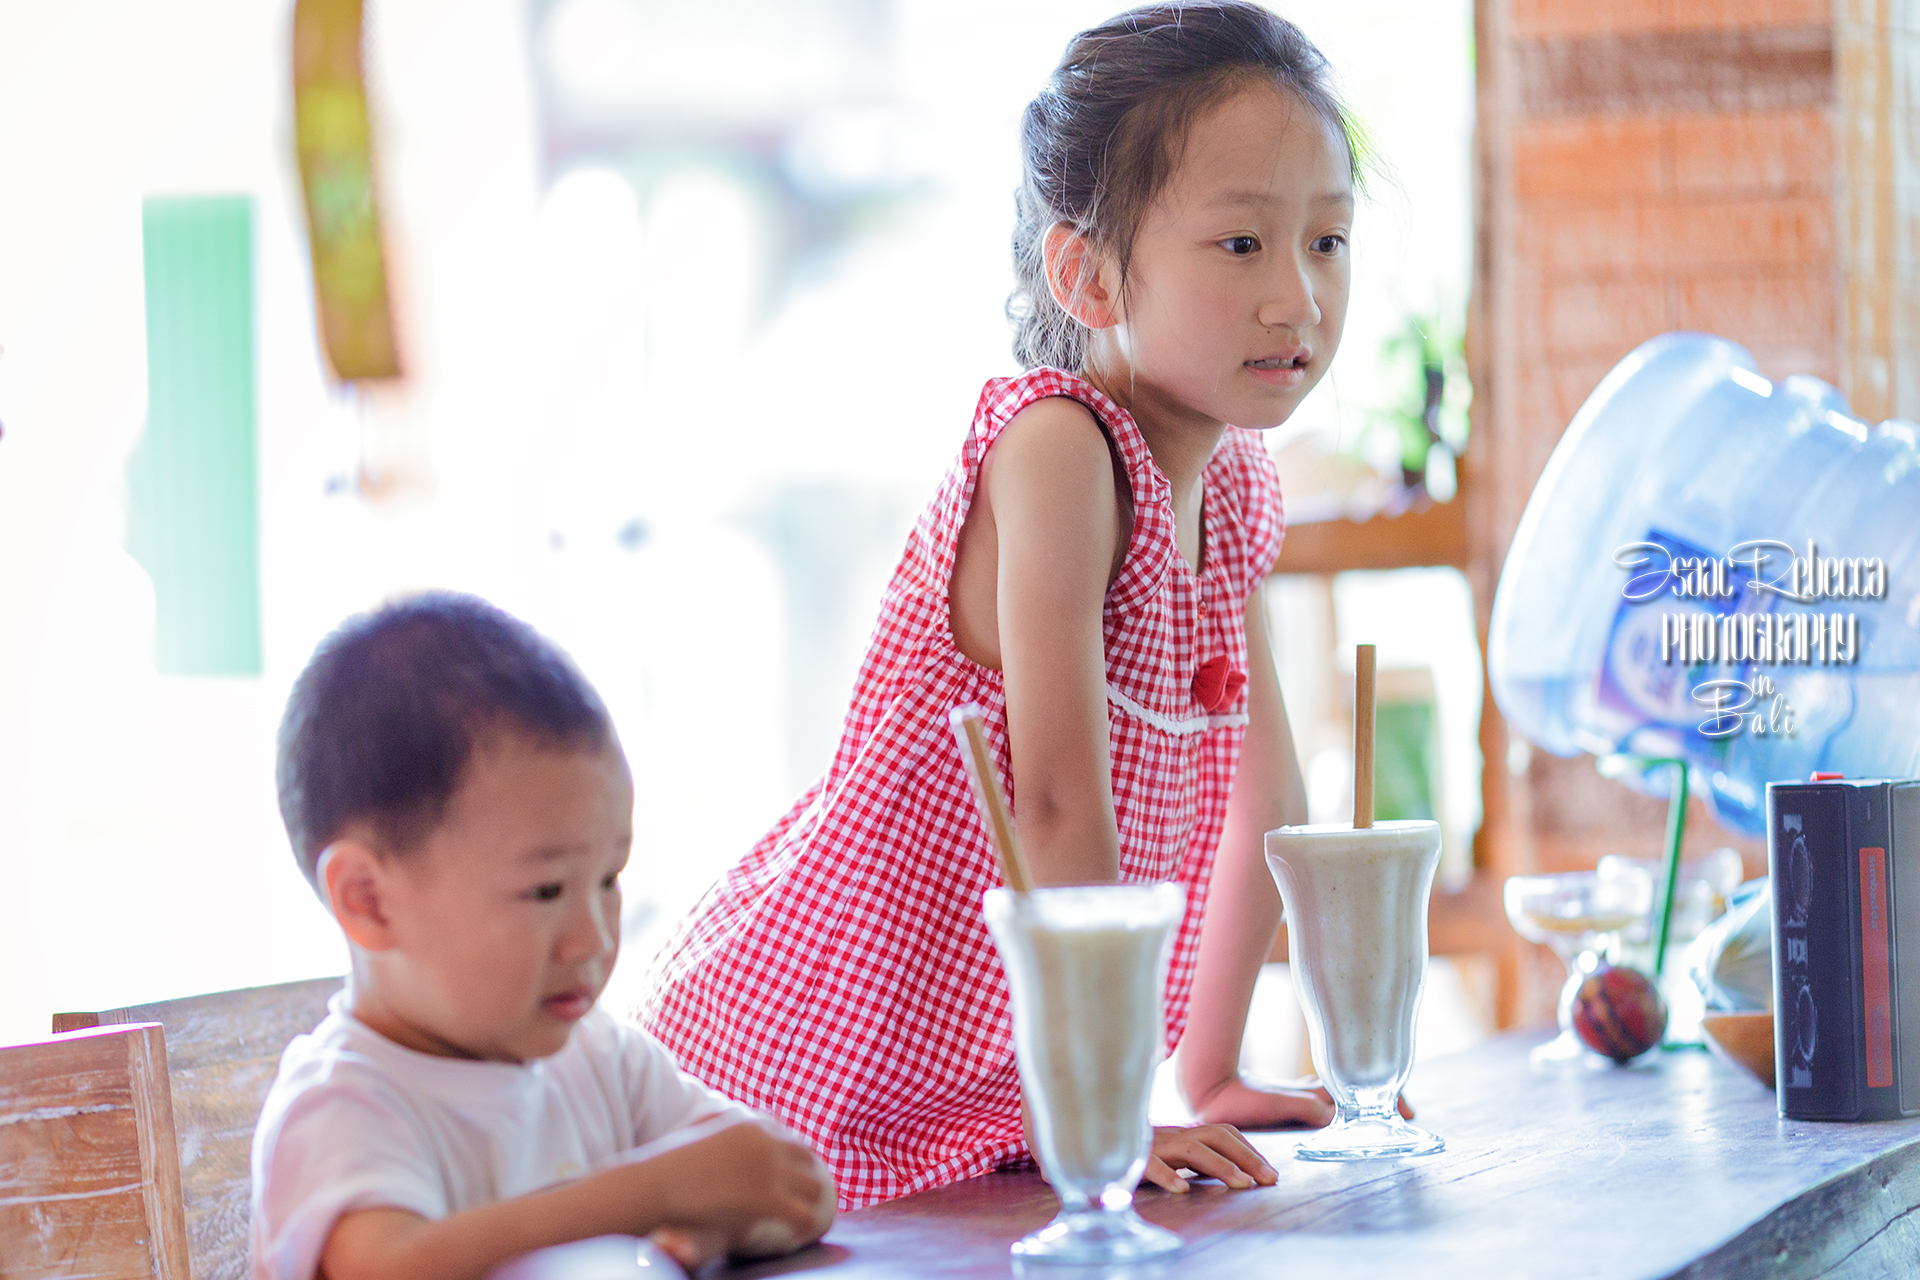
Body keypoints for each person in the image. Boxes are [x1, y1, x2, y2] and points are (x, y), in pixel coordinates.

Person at [641, 1, 1361, 1210]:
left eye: (1329, 242)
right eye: (1241, 244)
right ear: (1084, 272)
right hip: (813, 1043)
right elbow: (1056, 794)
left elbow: (1269, 802)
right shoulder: (1058, 445)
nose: (1297, 296)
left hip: (981, 1083)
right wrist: (1113, 1108)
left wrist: (1215, 1066)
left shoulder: (1233, 483)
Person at [251, 593, 833, 1280]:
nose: (591, 939)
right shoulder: (342, 1106)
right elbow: (392, 1268)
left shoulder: (599, 1060)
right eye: (547, 891)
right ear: (370, 902)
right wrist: (657, 1192)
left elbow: (787, 1182)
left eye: (610, 880)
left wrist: (716, 1223)